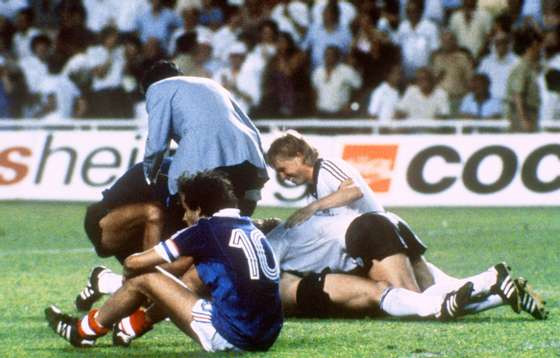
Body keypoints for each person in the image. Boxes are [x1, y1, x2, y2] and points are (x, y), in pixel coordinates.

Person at [265, 131, 547, 319]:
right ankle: (495, 286)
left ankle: (491, 281)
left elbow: (354, 192)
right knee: (441, 292)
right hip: (381, 232)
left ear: (299, 156)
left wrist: (313, 207)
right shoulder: (315, 185)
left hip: (377, 233)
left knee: (415, 301)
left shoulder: (327, 167)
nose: (283, 176)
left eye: (282, 168)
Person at [46, 171, 283, 352]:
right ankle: (131, 326)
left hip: (236, 336)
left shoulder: (205, 230)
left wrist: (138, 284)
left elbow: (133, 263)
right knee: (195, 275)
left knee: (144, 278)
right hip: (268, 334)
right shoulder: (250, 227)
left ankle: (83, 331)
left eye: (186, 209)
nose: (183, 216)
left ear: (199, 209)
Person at [141, 60, 269, 216]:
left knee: (178, 212)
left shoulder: (156, 88)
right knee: (238, 219)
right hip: (247, 156)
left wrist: (149, 178)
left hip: (205, 158)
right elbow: (251, 127)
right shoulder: (211, 84)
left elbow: (157, 145)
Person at [505, 28, 543, 132]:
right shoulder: (522, 67)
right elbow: (517, 94)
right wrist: (523, 119)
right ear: (533, 46)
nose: (540, 51)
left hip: (531, 113)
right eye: (539, 47)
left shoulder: (531, 67)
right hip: (524, 113)